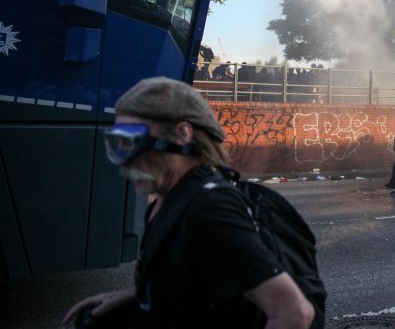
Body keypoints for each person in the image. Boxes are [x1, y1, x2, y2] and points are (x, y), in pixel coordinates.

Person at [62, 77, 316, 329]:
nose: (124, 161)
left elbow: (293, 313)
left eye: (132, 141)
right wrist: (139, 296)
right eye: (117, 144)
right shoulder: (167, 200)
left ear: (182, 134)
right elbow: (196, 281)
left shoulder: (209, 208)